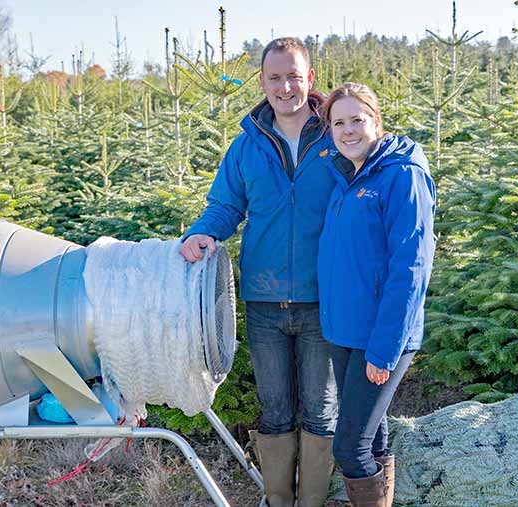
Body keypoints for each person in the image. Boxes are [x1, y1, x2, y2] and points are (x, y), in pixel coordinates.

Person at [178, 38, 338, 507]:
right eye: (274, 77)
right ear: (262, 83)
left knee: (322, 408)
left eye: (293, 76)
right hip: (265, 302)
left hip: (322, 299)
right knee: (275, 409)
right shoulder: (247, 146)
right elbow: (225, 206)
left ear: (309, 79)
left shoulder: (335, 136)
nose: (285, 86)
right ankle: (278, 500)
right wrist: (201, 234)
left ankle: (312, 501)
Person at [317, 83, 436, 507]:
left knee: (349, 449)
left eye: (357, 120)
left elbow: (412, 269)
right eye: (339, 122)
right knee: (374, 434)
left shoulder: (402, 175)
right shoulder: (345, 174)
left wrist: (384, 351)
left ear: (377, 122)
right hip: (344, 332)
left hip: (380, 340)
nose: (348, 130)